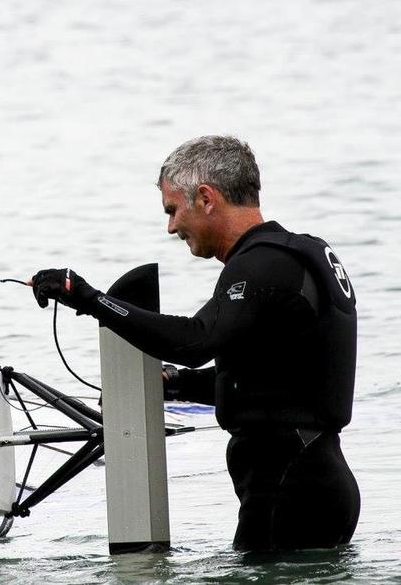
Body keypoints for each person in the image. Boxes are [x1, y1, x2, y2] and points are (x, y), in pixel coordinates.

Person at [31, 135, 359, 552]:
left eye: (172, 210)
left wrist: (88, 298)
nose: (170, 227)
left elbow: (195, 340)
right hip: (312, 479)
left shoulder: (263, 264)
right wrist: (176, 385)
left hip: (290, 488)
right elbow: (268, 380)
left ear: (205, 198)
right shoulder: (297, 255)